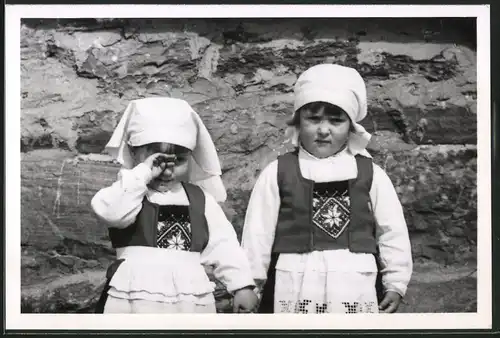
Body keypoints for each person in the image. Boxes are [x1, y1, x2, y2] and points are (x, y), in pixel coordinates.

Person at [241, 64, 413, 314]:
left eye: (336, 121)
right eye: (313, 119)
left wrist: (396, 283)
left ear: (351, 126)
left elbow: (392, 231)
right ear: (299, 121)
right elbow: (257, 233)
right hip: (293, 281)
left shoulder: (371, 174)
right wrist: (249, 285)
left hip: (355, 283)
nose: (323, 130)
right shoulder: (277, 173)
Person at [91, 97, 258, 313]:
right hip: (133, 298)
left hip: (188, 299)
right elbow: (111, 212)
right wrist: (141, 173)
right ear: (133, 152)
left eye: (178, 161)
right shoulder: (127, 192)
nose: (167, 171)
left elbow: (224, 244)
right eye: (157, 161)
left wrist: (242, 285)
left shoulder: (199, 199)